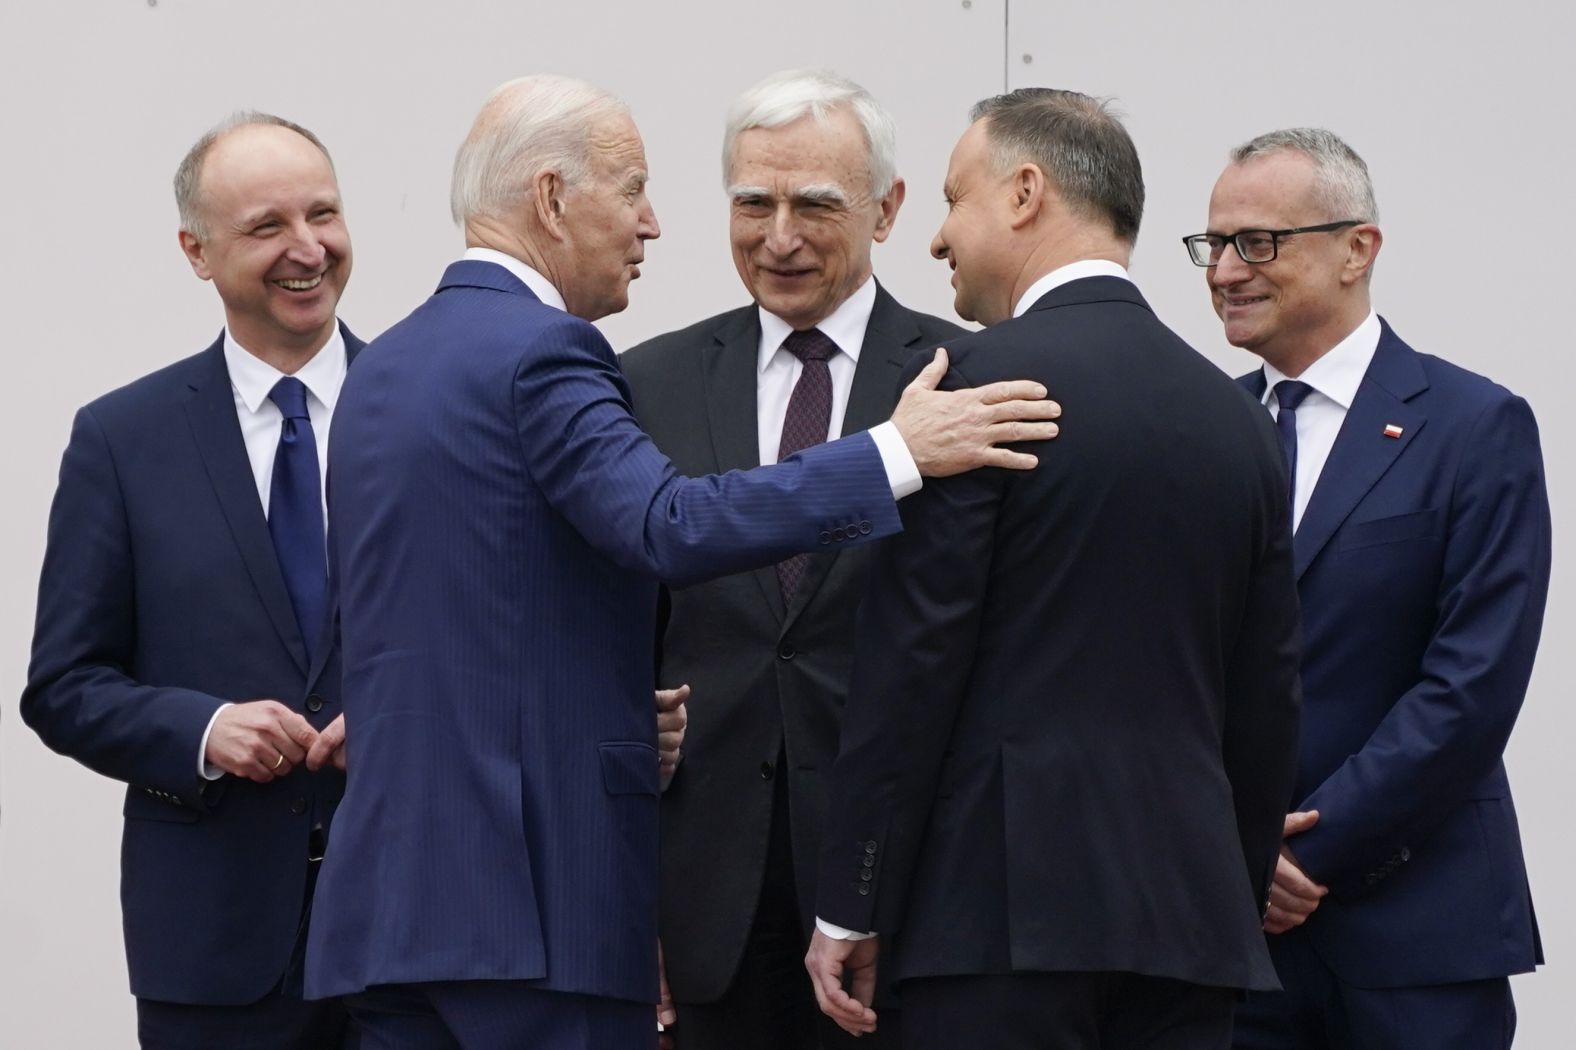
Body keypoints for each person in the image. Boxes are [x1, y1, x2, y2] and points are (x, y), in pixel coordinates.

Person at [304, 74, 1061, 1050]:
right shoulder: (551, 355)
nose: (652, 224)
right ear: (549, 198)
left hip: (395, 910)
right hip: (533, 911)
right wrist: (895, 451)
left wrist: (618, 705)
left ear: (884, 209)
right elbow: (667, 526)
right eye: (630, 191)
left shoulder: (378, 371)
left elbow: (446, 613)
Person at [806, 88, 1303, 1049]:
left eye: (954, 200)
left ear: (1026, 192)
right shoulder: (1238, 419)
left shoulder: (971, 394)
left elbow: (912, 667)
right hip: (1189, 931)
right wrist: (1223, 900)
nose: (939, 240)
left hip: (995, 926)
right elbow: (1266, 695)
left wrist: (851, 904)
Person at [620, 69, 964, 1050]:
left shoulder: (960, 380)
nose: (778, 237)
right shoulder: (649, 383)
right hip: (701, 901)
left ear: (889, 209)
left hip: (899, 893)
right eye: (751, 203)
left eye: (814, 203)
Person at [1187, 128, 1550, 1050]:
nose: (1226, 270)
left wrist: (1310, 850)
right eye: (1214, 244)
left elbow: (1471, 686)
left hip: (1418, 931)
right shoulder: (1201, 431)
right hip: (1229, 942)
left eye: (1257, 242)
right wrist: (1237, 850)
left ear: (1358, 248)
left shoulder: (1475, 426)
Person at [22, 113, 360, 1049]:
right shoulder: (122, 442)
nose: (307, 249)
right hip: (213, 949)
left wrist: (404, 715)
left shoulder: (428, 411)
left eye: (323, 215)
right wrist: (204, 730)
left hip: (411, 938)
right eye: (266, 227)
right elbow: (63, 686)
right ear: (196, 252)